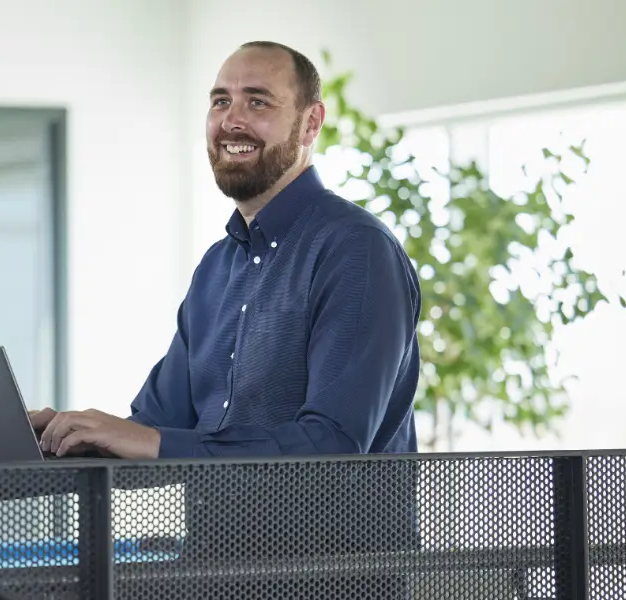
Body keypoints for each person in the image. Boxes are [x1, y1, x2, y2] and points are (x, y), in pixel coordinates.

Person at [32, 40, 422, 460]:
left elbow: (333, 443)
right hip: (214, 529)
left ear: (311, 123)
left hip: (335, 529)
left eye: (258, 102)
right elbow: (156, 425)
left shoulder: (357, 251)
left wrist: (153, 442)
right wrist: (68, 435)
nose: (232, 120)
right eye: (221, 101)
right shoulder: (217, 267)